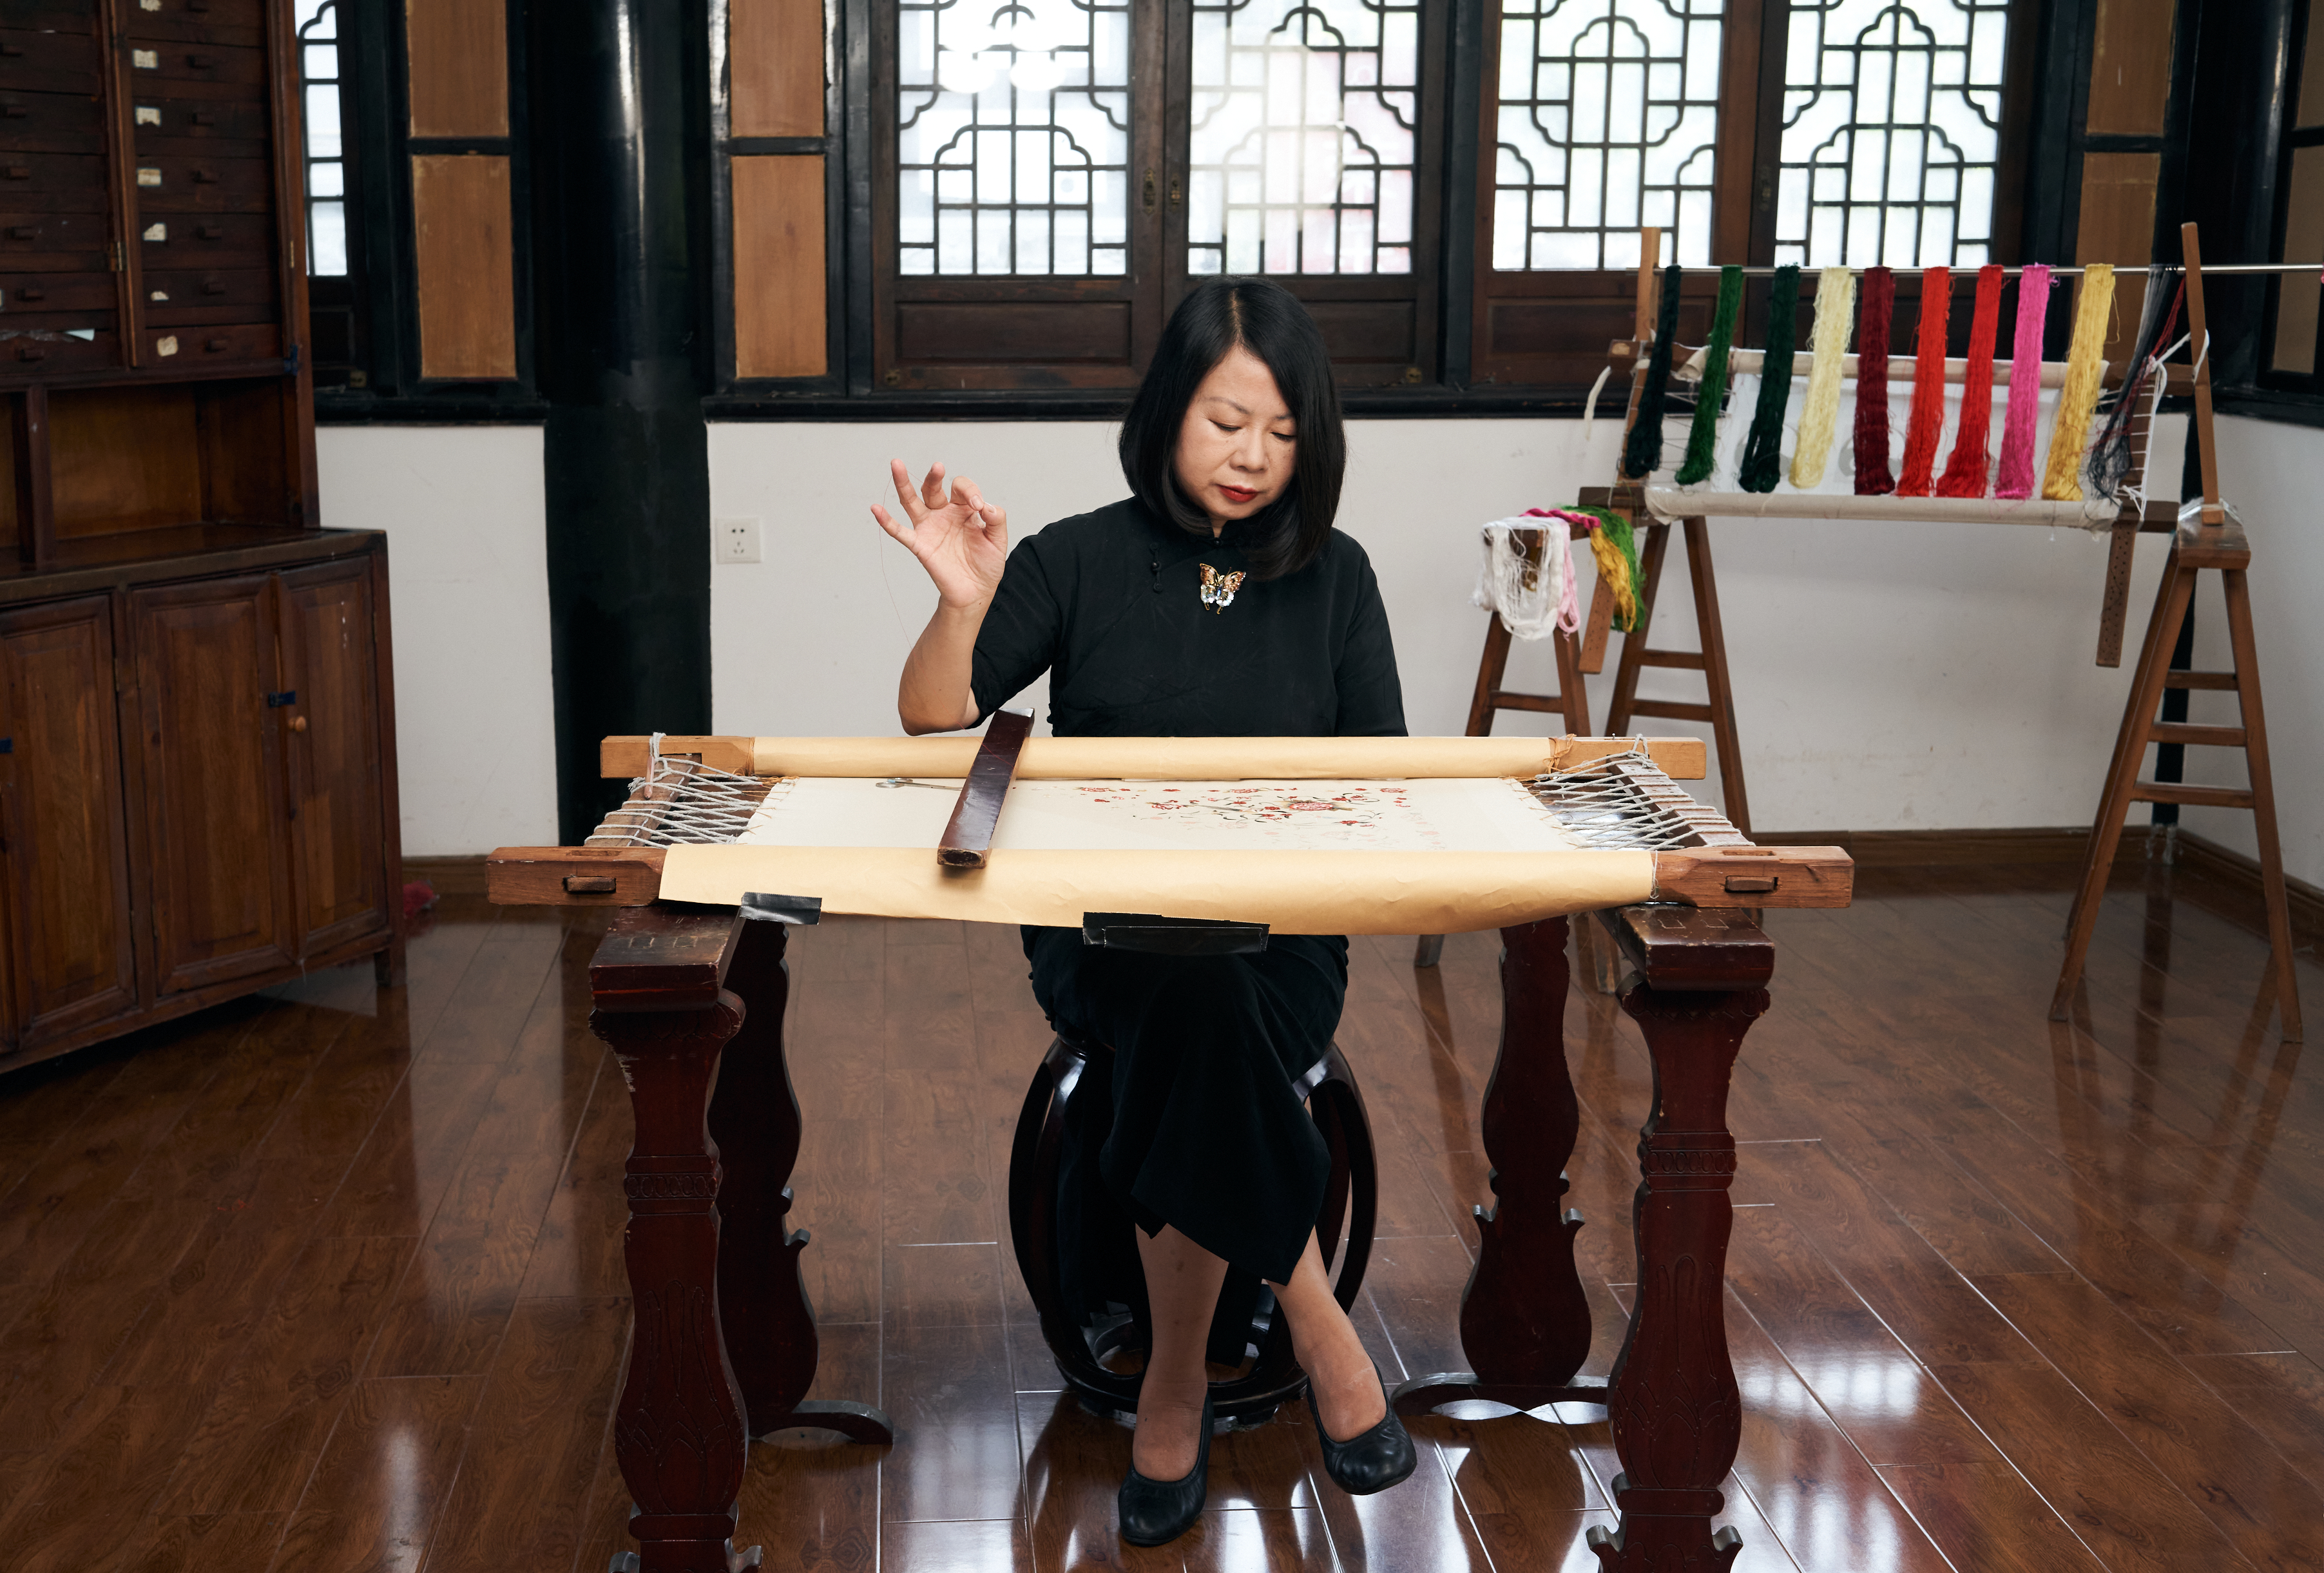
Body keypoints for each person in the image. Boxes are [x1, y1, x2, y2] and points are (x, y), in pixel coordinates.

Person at [871, 276, 1416, 1547]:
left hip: (1282, 939)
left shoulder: (1337, 579)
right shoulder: (1077, 557)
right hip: (1102, 935)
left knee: (1212, 996)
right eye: (1228, 420)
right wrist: (958, 604)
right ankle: (1324, 1333)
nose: (1252, 456)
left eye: (1283, 434)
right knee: (1182, 988)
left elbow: (1382, 781)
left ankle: (1173, 1385)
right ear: (1169, 408)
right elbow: (933, 716)